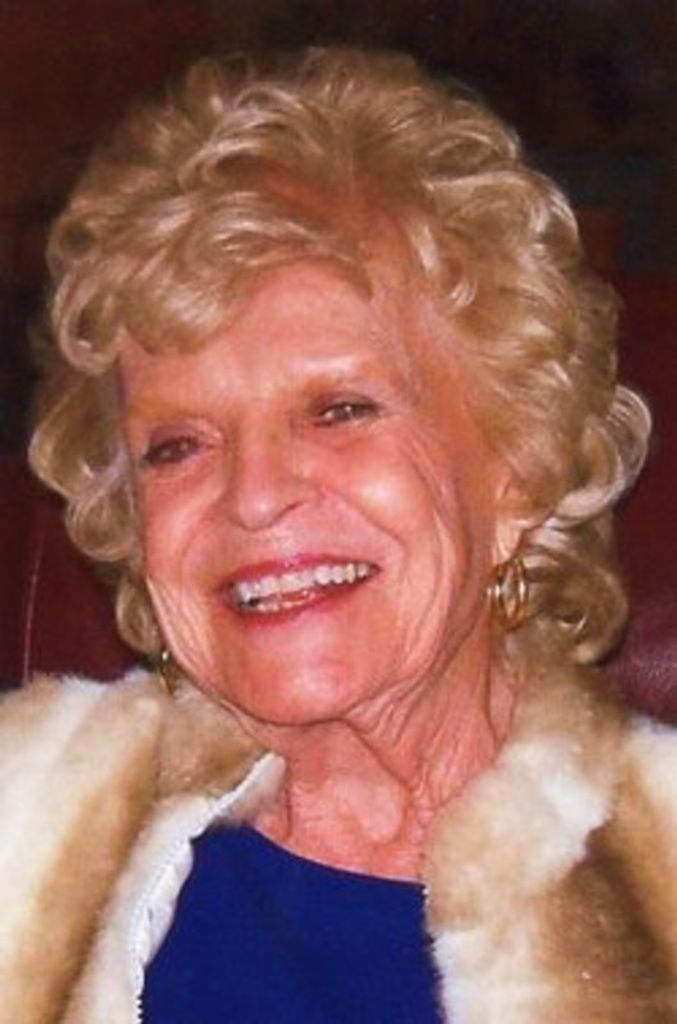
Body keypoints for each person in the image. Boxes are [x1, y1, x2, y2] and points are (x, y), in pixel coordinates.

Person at [1, 46, 675, 1024]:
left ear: (515, 471)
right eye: (177, 446)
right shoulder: (24, 824)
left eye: (338, 410)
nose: (252, 497)